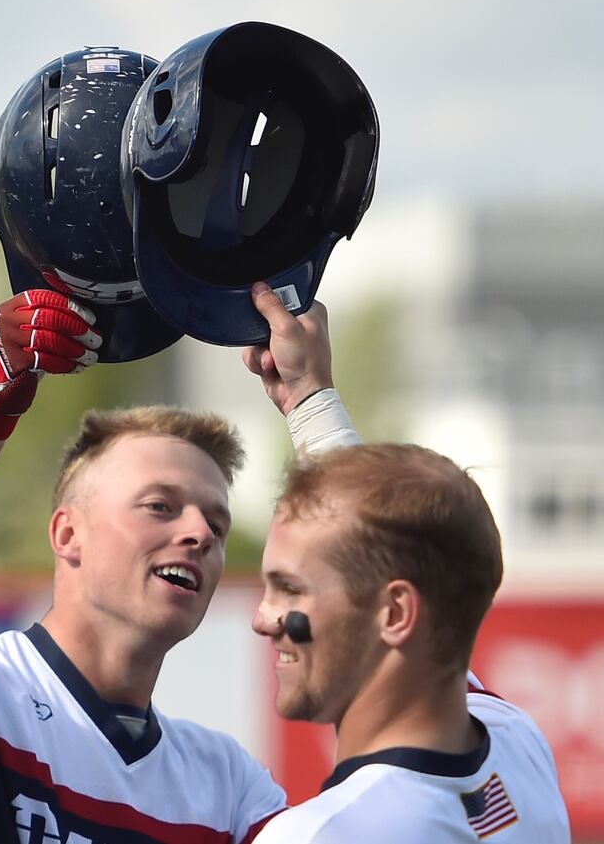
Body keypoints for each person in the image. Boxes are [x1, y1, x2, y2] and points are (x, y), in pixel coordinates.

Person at [0, 282, 375, 842]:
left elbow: (385, 627)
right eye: (160, 507)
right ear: (67, 533)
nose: (199, 533)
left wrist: (311, 400)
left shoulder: (227, 786)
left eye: (217, 525)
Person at [243, 289, 571, 843]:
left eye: (290, 590)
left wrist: (312, 396)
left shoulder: (319, 835)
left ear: (396, 611)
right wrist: (309, 399)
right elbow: (393, 549)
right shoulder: (516, 748)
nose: (264, 618)